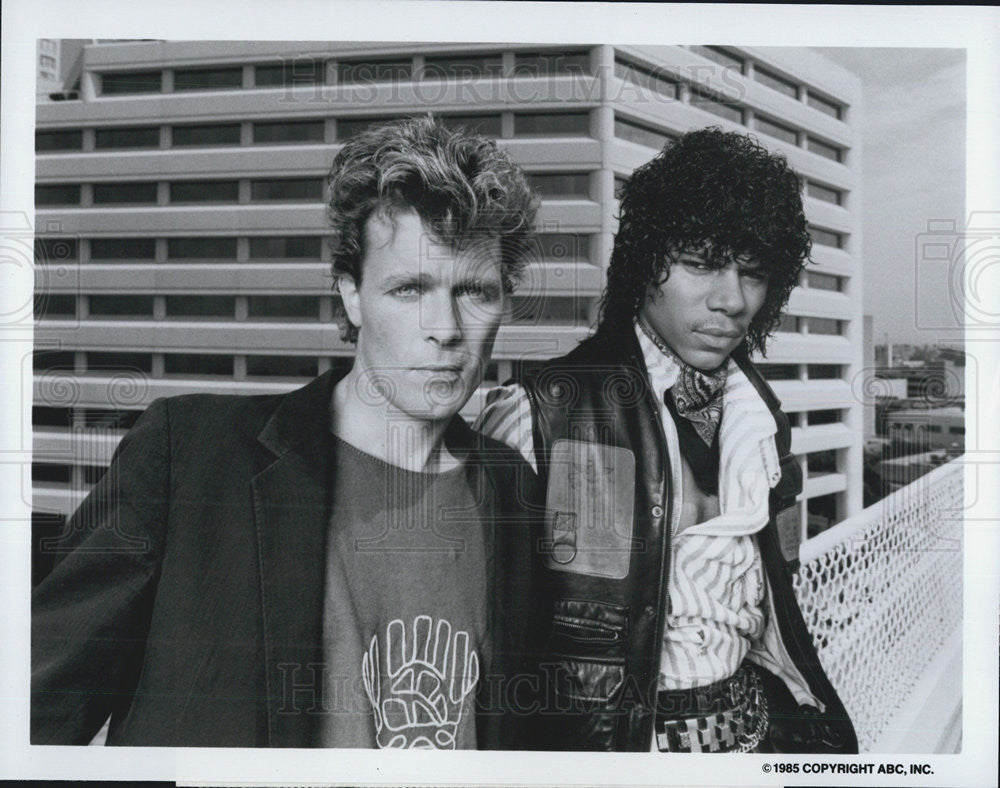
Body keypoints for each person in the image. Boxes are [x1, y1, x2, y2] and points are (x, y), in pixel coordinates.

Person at [32, 116, 540, 749]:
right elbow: (36, 713)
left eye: (475, 291)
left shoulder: (513, 487)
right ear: (352, 295)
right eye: (410, 288)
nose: (445, 327)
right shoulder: (187, 455)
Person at [477, 128, 858, 753]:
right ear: (645, 260)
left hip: (764, 738)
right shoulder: (544, 414)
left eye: (753, 273)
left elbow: (775, 609)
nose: (731, 299)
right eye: (701, 263)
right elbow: (492, 651)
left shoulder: (761, 418)